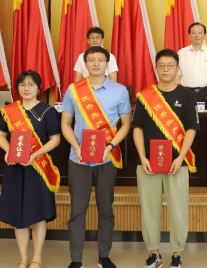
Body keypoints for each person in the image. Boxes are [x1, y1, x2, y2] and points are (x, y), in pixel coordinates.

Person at [61, 46, 132, 268]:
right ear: (85, 64)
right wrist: (76, 147)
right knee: (77, 210)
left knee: (106, 208)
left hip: (107, 158)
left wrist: (110, 146)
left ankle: (104, 256)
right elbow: (65, 123)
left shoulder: (120, 90)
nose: (96, 63)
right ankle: (76, 260)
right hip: (79, 158)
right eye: (91, 60)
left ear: (107, 64)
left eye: (100, 60)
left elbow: (126, 124)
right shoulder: (74, 90)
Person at [133, 49, 199, 268]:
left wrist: (180, 158)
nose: (166, 69)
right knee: (149, 210)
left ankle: (177, 254)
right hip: (148, 164)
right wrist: (142, 157)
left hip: (177, 163)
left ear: (178, 68)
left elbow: (191, 129)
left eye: (170, 65)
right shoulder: (145, 96)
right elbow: (137, 128)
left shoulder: (187, 95)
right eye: (161, 65)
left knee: (178, 210)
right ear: (156, 68)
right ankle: (154, 254)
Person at [0, 70, 61, 268]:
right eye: (22, 84)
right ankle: (23, 258)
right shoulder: (9, 110)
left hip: (38, 168)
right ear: (17, 88)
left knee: (38, 214)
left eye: (31, 84)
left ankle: (37, 259)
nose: (27, 88)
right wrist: (9, 151)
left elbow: (55, 139)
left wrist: (34, 155)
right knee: (19, 215)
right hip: (15, 169)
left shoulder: (47, 111)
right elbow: (0, 136)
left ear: (39, 88)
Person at [176, 22, 207, 111]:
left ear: (204, 35)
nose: (197, 35)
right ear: (189, 35)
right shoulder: (182, 53)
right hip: (187, 92)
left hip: (206, 93)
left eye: (200, 33)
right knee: (187, 118)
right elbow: (178, 75)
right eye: (193, 33)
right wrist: (177, 94)